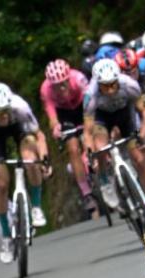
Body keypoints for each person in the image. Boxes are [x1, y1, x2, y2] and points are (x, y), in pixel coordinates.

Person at [0, 82, 51, 264]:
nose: (4, 114)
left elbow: (39, 136)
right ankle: (7, 237)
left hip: (19, 129)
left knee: (30, 160)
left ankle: (36, 208)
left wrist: (44, 159)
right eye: (0, 112)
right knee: (1, 183)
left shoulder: (20, 106)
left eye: (6, 109)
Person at [82, 58, 145, 210]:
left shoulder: (129, 85)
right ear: (97, 83)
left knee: (140, 160)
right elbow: (88, 129)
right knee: (101, 147)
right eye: (105, 86)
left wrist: (142, 134)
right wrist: (89, 150)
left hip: (125, 116)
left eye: (113, 84)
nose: (110, 90)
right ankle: (104, 178)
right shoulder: (90, 95)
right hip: (102, 118)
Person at [40, 60, 97, 217]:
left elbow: (90, 102)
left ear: (68, 78)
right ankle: (86, 192)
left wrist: (88, 127)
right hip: (65, 114)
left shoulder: (78, 79)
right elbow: (51, 113)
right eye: (56, 85)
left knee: (89, 138)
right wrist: (55, 127)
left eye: (63, 83)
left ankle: (96, 163)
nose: (61, 88)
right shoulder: (46, 89)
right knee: (72, 148)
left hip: (82, 108)